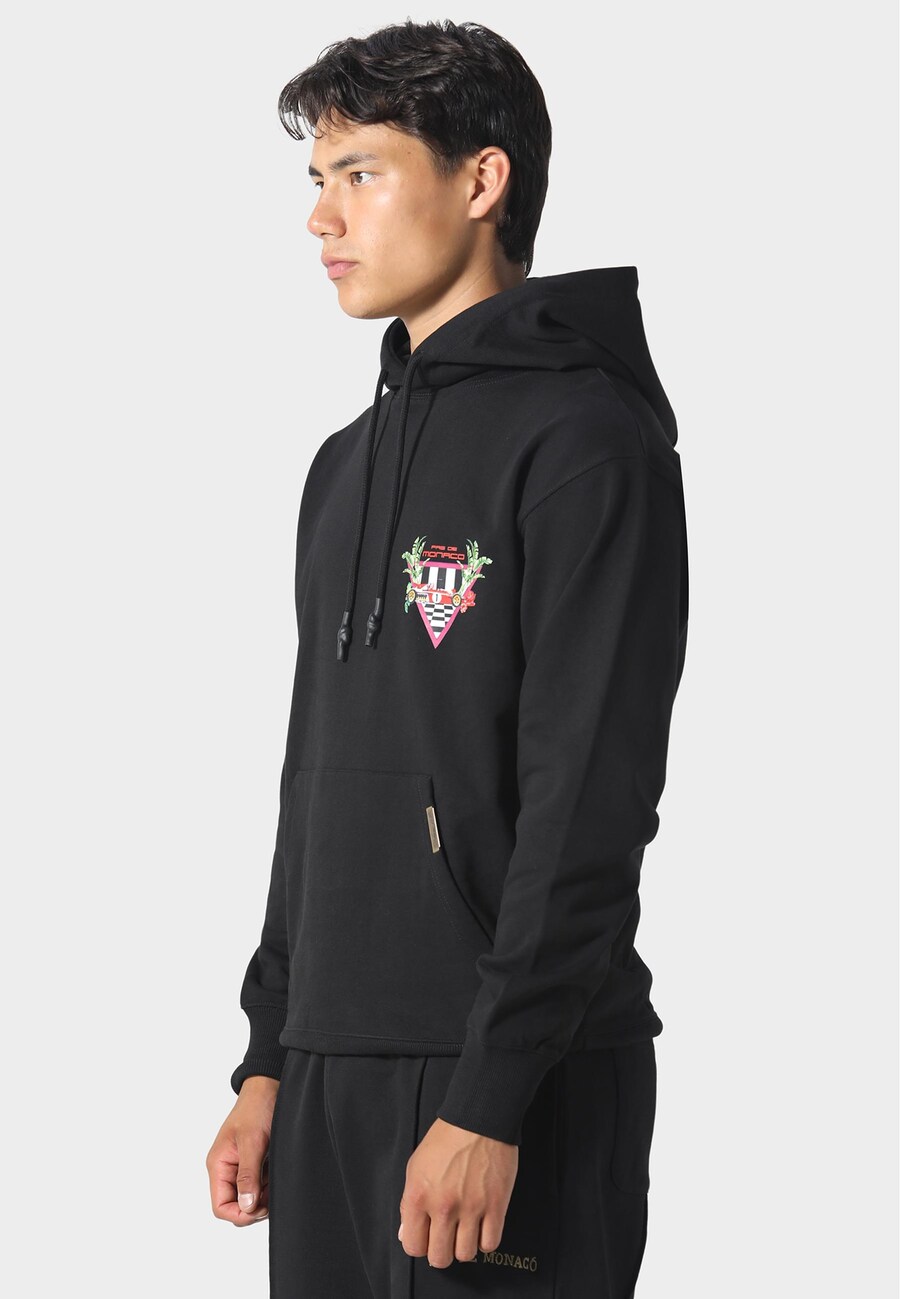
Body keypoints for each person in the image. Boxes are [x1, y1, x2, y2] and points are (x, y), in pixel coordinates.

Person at [206, 18, 689, 1298]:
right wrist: (269, 1056)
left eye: (361, 172)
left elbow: (591, 799)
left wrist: (491, 1093)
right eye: (318, 179)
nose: (322, 217)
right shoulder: (343, 467)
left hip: (509, 1080)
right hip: (329, 1071)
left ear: (482, 181)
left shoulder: (587, 443)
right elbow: (315, 779)